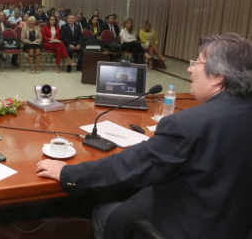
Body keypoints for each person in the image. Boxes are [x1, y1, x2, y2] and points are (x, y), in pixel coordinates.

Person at [35, 32, 252, 239]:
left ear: (217, 76)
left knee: (104, 213)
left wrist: (68, 173)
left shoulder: (187, 125)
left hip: (187, 226)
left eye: (196, 63)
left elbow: (128, 166)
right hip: (234, 224)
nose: (189, 69)